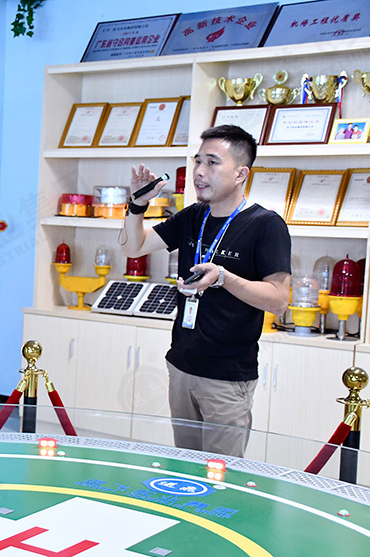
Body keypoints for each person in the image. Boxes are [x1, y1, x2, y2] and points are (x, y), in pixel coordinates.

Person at [120, 124, 291, 457]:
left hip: (227, 377)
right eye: (198, 161)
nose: (199, 171)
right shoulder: (193, 216)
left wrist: (223, 277)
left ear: (241, 173)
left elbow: (279, 300)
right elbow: (132, 247)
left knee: (220, 474)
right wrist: (137, 205)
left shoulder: (265, 224)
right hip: (181, 366)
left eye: (212, 163)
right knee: (186, 469)